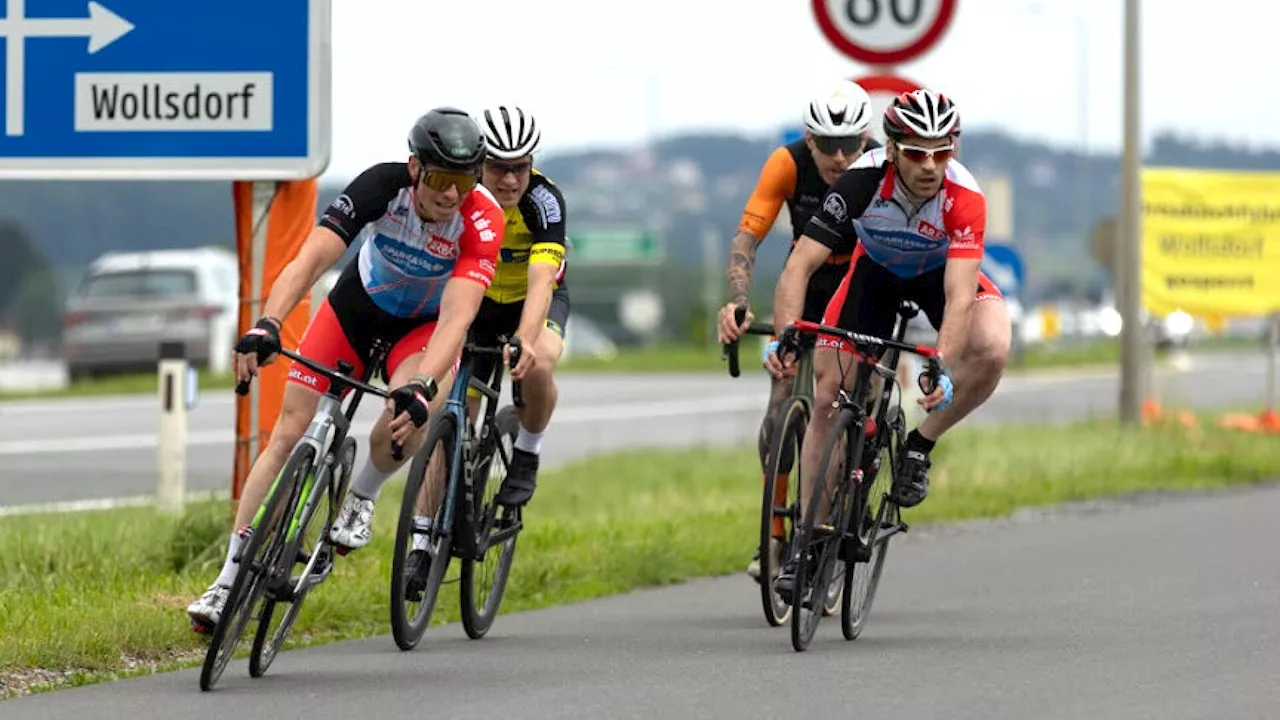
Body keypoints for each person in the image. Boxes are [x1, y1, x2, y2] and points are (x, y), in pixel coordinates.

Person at [186, 107, 505, 631]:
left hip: (422, 329)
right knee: (288, 433)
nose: (452, 195)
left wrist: (424, 386)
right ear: (415, 169)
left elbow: (460, 314)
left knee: (407, 416)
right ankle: (226, 581)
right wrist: (268, 322)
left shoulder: (481, 220)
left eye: (464, 181)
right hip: (356, 309)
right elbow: (311, 259)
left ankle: (362, 494)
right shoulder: (381, 185)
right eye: (442, 179)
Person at [764, 89, 1012, 596]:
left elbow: (960, 293)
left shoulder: (964, 198)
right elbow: (800, 264)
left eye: (941, 152)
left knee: (992, 345)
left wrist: (941, 364)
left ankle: (919, 446)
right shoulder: (860, 181)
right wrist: (787, 335)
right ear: (893, 148)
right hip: (873, 274)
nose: (929, 164)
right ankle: (808, 546)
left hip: (937, 276)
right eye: (917, 151)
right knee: (829, 395)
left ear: (953, 151)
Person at [713, 79, 878, 582]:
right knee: (781, 407)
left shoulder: (879, 167)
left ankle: (856, 490)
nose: (840, 155)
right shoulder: (786, 164)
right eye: (827, 145)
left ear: (866, 139)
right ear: (809, 139)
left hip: (863, 279)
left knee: (858, 399)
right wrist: (739, 302)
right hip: (806, 277)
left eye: (851, 144)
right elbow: (748, 238)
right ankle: (776, 538)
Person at [467, 104, 571, 508]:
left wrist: (524, 340)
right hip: (478, 301)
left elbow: (543, 278)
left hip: (533, 301)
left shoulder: (544, 202)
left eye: (520, 168)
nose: (510, 180)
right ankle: (425, 538)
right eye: (497, 168)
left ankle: (527, 452)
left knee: (540, 361)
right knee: (455, 413)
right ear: (478, 165)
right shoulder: (462, 196)